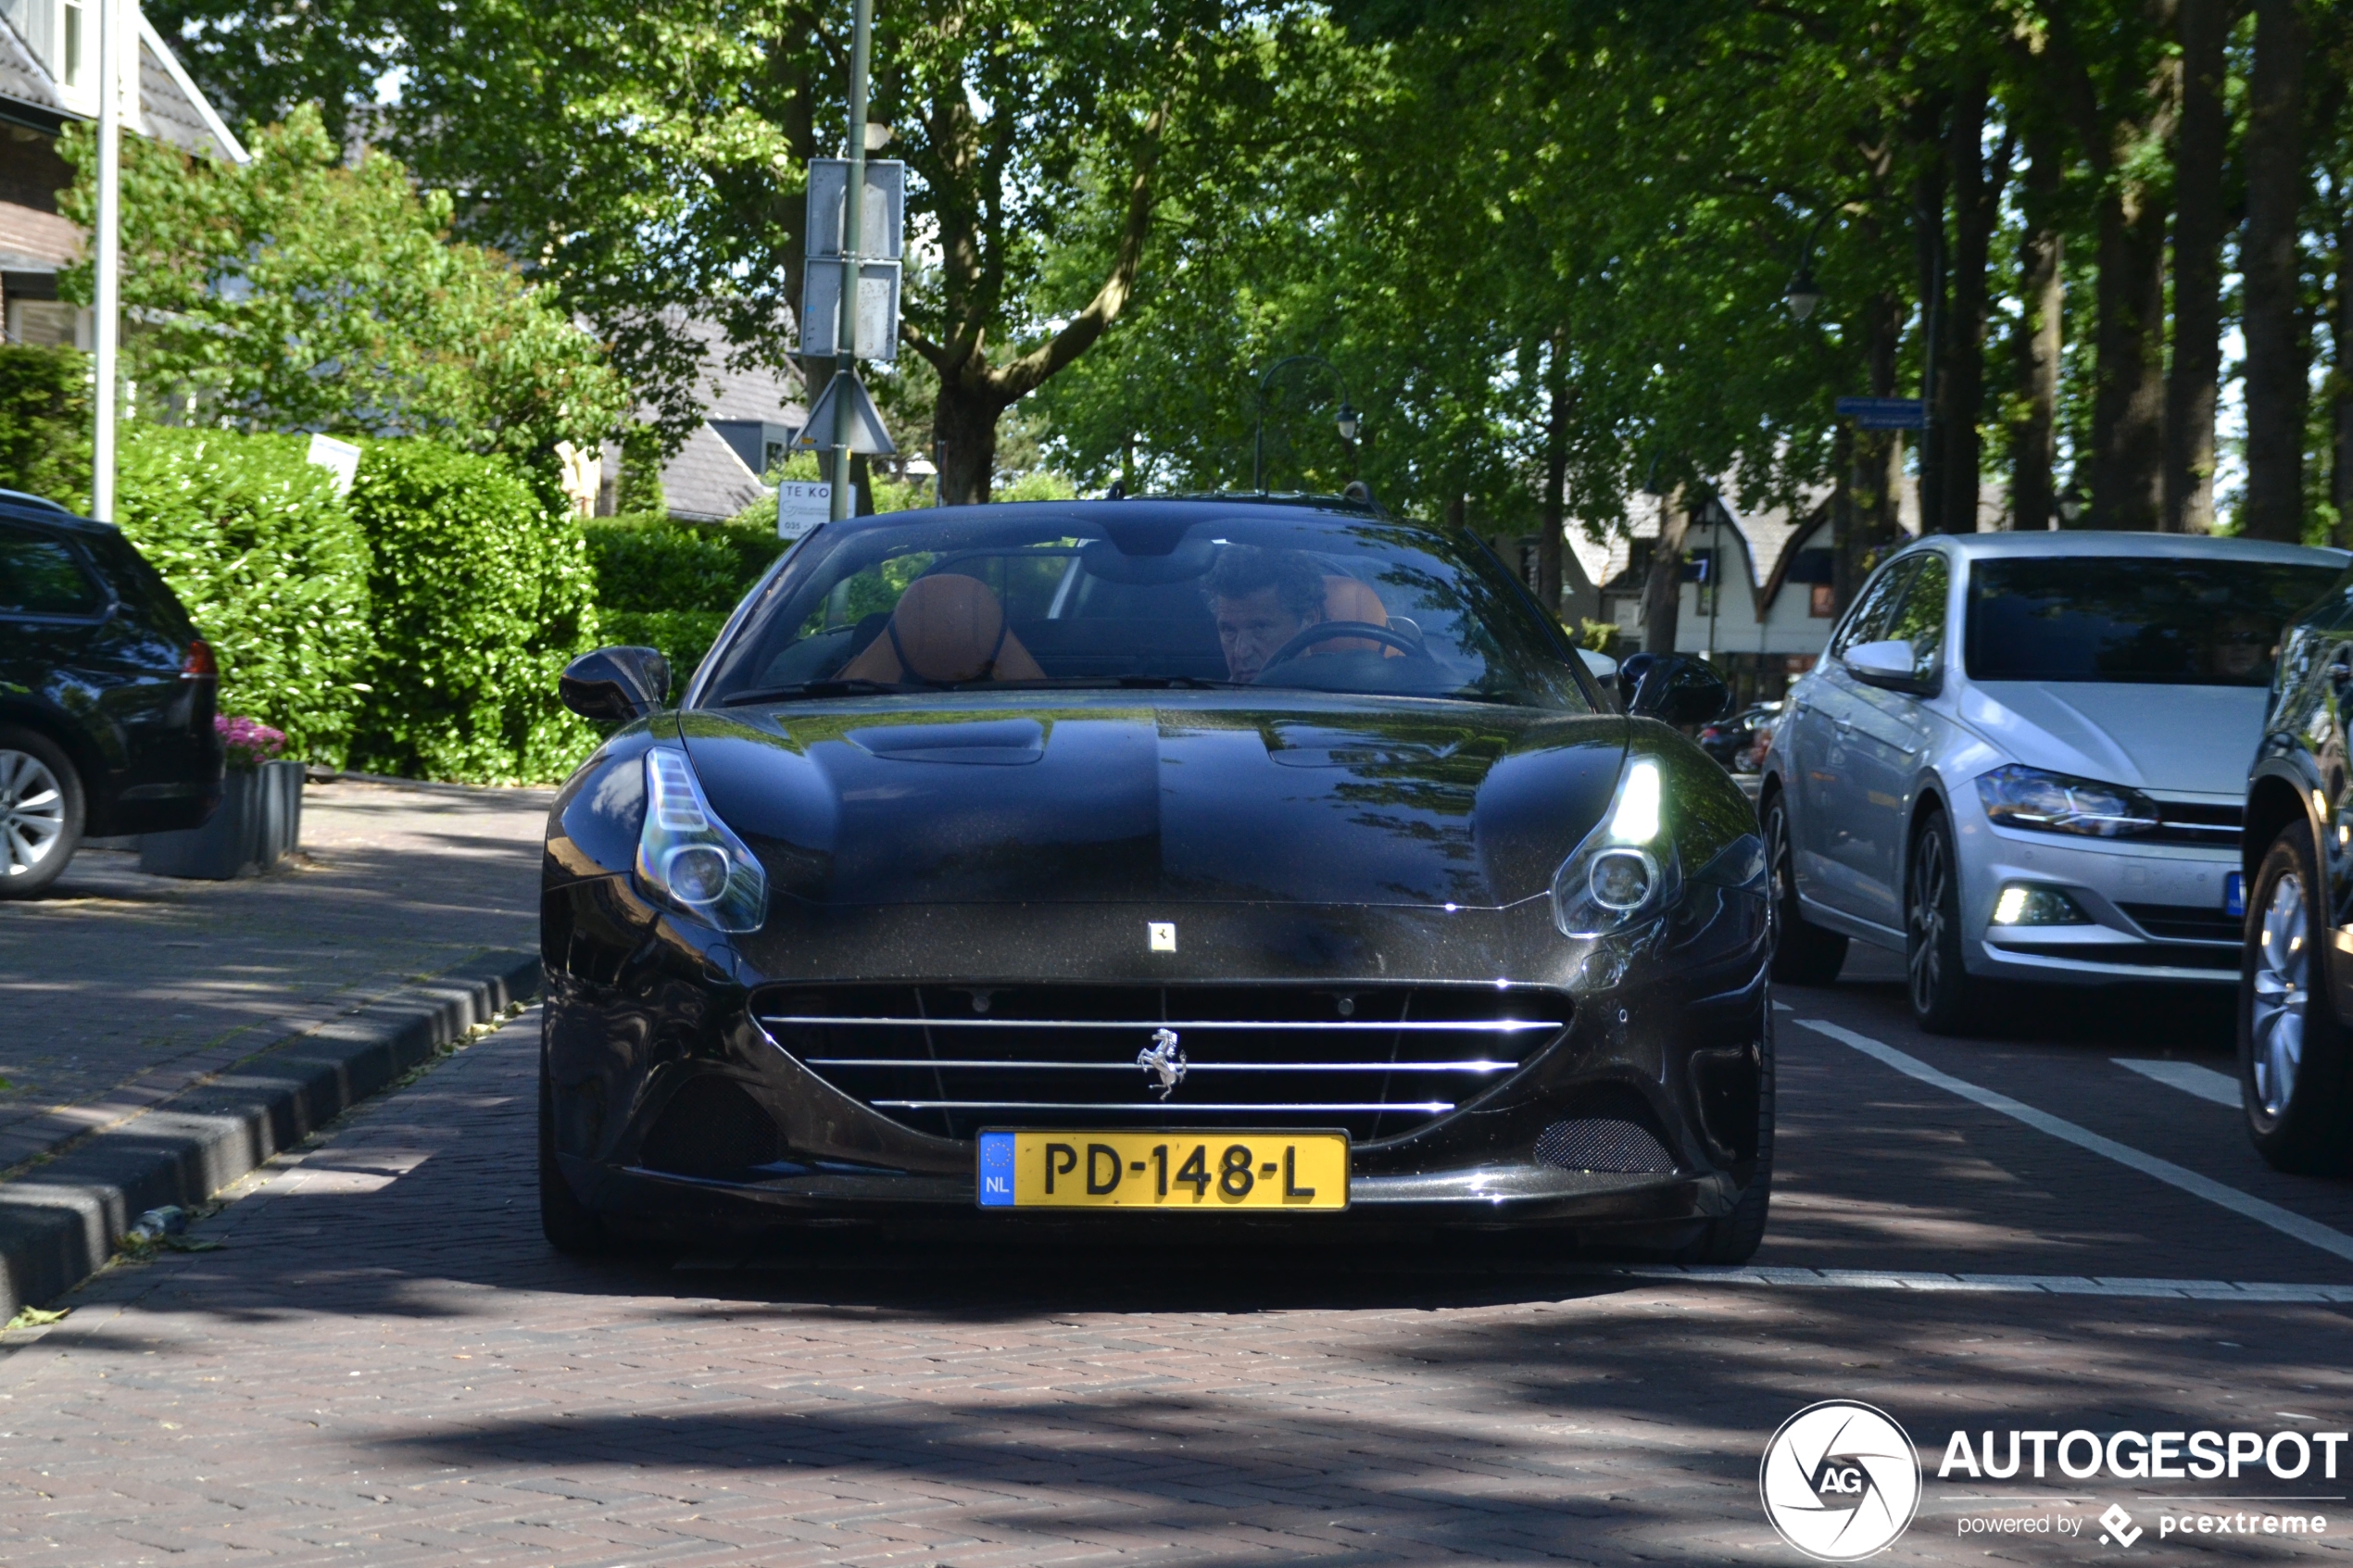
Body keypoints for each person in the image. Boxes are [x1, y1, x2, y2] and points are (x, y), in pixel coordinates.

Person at [1205, 546, 1327, 683]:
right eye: (1228, 630)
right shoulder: (1203, 699)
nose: (1241, 652)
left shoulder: (1346, 688)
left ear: (1308, 620)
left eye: (1260, 627)